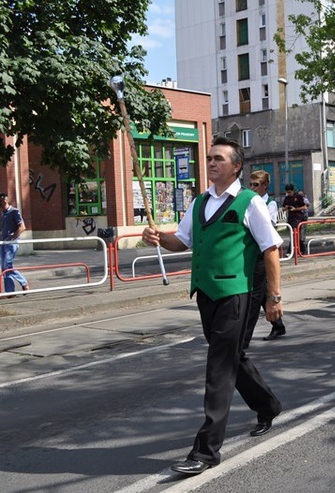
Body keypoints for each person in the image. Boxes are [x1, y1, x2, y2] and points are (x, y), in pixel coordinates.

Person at [142, 137, 282, 475]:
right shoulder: (199, 202)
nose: (211, 163)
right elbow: (182, 241)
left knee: (218, 368)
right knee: (232, 357)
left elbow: (271, 249)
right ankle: (268, 405)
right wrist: (159, 237)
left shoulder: (250, 202)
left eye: (218, 158)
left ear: (236, 166)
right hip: (205, 293)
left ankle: (205, 452)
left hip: (235, 293)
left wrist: (273, 298)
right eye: (209, 158)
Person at [242, 170, 288, 343]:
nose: (252, 188)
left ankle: (243, 338)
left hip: (263, 254)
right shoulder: (247, 201)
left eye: (256, 185)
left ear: (265, 185)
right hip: (250, 252)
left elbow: (267, 226)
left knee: (254, 296)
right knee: (262, 293)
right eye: (251, 184)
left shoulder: (270, 203)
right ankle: (278, 325)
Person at [1, 192, 30, 296]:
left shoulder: (14, 212)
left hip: (11, 243)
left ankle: (24, 282)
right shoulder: (2, 214)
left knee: (7, 265)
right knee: (4, 268)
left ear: (6, 201)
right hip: (3, 243)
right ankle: (10, 292)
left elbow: (22, 227)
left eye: (2, 202)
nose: (1, 204)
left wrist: (13, 237)